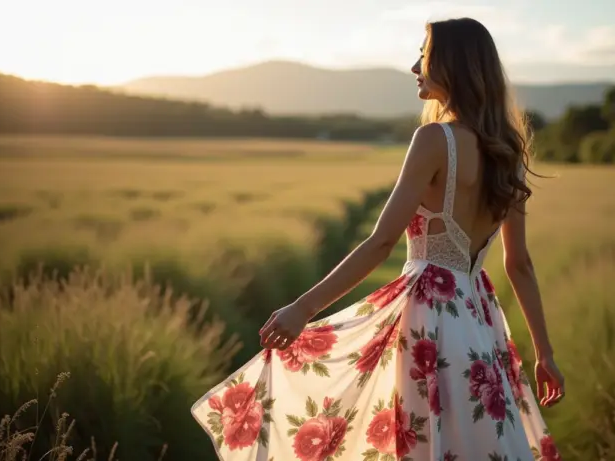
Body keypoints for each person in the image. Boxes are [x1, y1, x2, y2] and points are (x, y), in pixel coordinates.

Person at [192, 17, 565, 461]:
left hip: (428, 322)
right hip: (479, 322)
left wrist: (303, 308)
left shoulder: (435, 140)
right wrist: (544, 354)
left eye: (424, 55)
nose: (415, 66)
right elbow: (517, 263)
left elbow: (381, 243)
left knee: (424, 443)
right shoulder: (510, 155)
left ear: (453, 64)